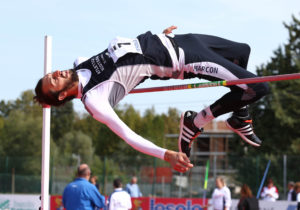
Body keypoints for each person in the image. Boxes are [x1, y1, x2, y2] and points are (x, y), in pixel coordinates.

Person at [34, 26, 268, 171]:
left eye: (51, 73)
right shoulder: (95, 100)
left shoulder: (80, 64)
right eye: (53, 80)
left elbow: (128, 51)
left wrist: (160, 37)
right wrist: (165, 154)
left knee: (242, 52)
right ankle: (195, 122)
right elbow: (129, 136)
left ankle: (240, 116)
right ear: (63, 94)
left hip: (178, 39)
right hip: (185, 58)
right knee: (260, 87)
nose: (56, 73)